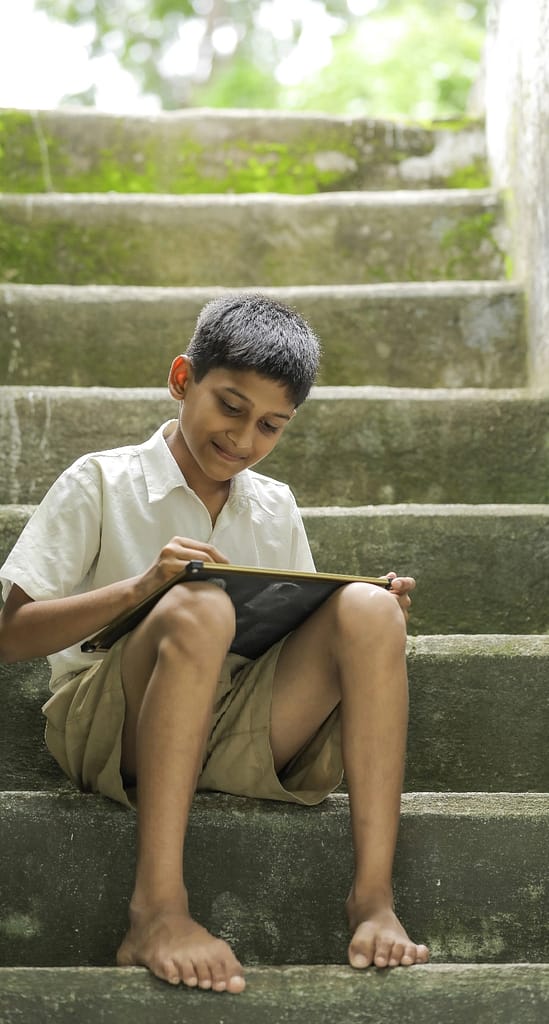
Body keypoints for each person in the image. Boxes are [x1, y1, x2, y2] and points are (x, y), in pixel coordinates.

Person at [0, 293, 429, 995]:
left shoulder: (273, 505)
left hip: (233, 727)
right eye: (229, 407)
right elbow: (11, 637)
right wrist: (142, 590)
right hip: (112, 731)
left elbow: (288, 636)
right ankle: (157, 911)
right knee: (197, 604)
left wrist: (360, 616)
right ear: (180, 380)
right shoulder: (99, 481)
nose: (242, 437)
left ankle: (372, 901)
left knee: (372, 611)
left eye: (269, 425)